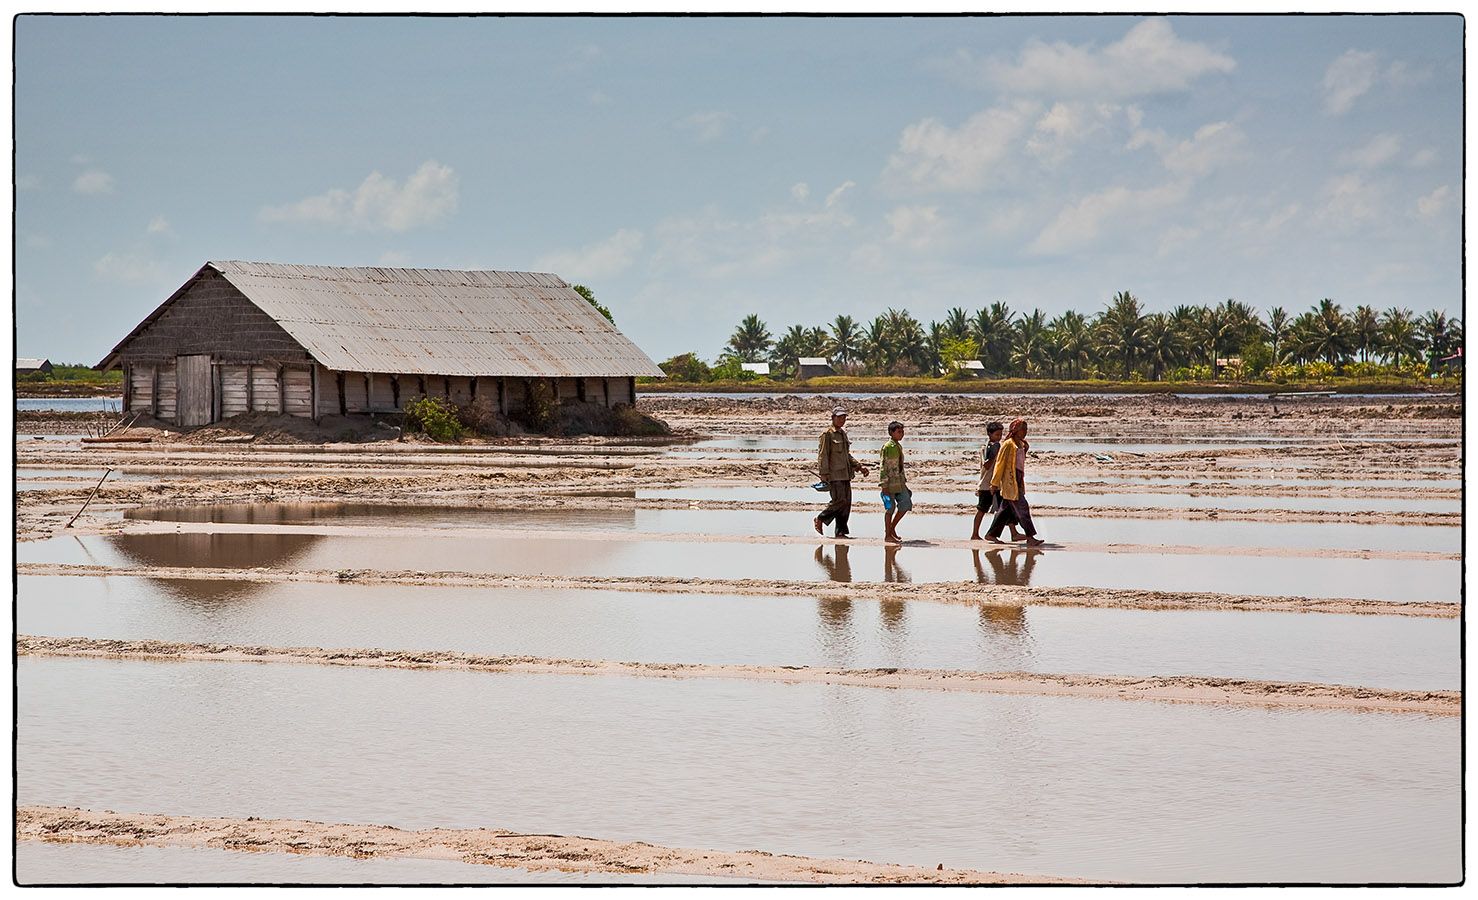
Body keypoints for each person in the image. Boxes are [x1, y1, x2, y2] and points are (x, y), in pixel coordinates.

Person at [986, 418, 1044, 546]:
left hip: (1017, 480)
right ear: (1016, 430)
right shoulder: (1008, 444)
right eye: (1023, 429)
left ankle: (991, 534)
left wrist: (1025, 450)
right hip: (1010, 482)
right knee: (1023, 509)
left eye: (1026, 429)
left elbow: (1019, 462)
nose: (1025, 432)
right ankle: (1030, 537)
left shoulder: (1021, 444)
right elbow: (1000, 464)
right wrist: (994, 483)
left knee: (1005, 510)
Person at [814, 405, 867, 538]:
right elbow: (823, 455)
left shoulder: (842, 434)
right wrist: (823, 473)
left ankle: (840, 532)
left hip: (845, 474)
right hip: (834, 474)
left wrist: (859, 466)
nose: (842, 419)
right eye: (839, 417)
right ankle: (821, 518)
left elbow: (846, 455)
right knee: (839, 500)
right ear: (833, 418)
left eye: (844, 417)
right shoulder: (827, 434)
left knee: (846, 503)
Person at [970, 422, 1021, 542]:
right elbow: (987, 465)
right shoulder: (986, 448)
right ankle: (975, 534)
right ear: (989, 434)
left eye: (1000, 435)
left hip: (997, 485)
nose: (999, 437)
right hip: (986, 485)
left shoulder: (998, 446)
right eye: (997, 434)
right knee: (982, 510)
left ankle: (1014, 533)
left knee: (1004, 510)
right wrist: (995, 453)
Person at [879, 421, 912, 543]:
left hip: (899, 482)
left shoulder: (898, 446)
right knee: (890, 508)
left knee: (906, 504)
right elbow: (883, 466)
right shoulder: (888, 447)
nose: (901, 434)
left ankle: (892, 529)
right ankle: (888, 535)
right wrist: (884, 485)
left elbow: (899, 467)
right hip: (889, 483)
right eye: (899, 432)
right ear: (891, 433)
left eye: (902, 432)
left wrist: (905, 483)